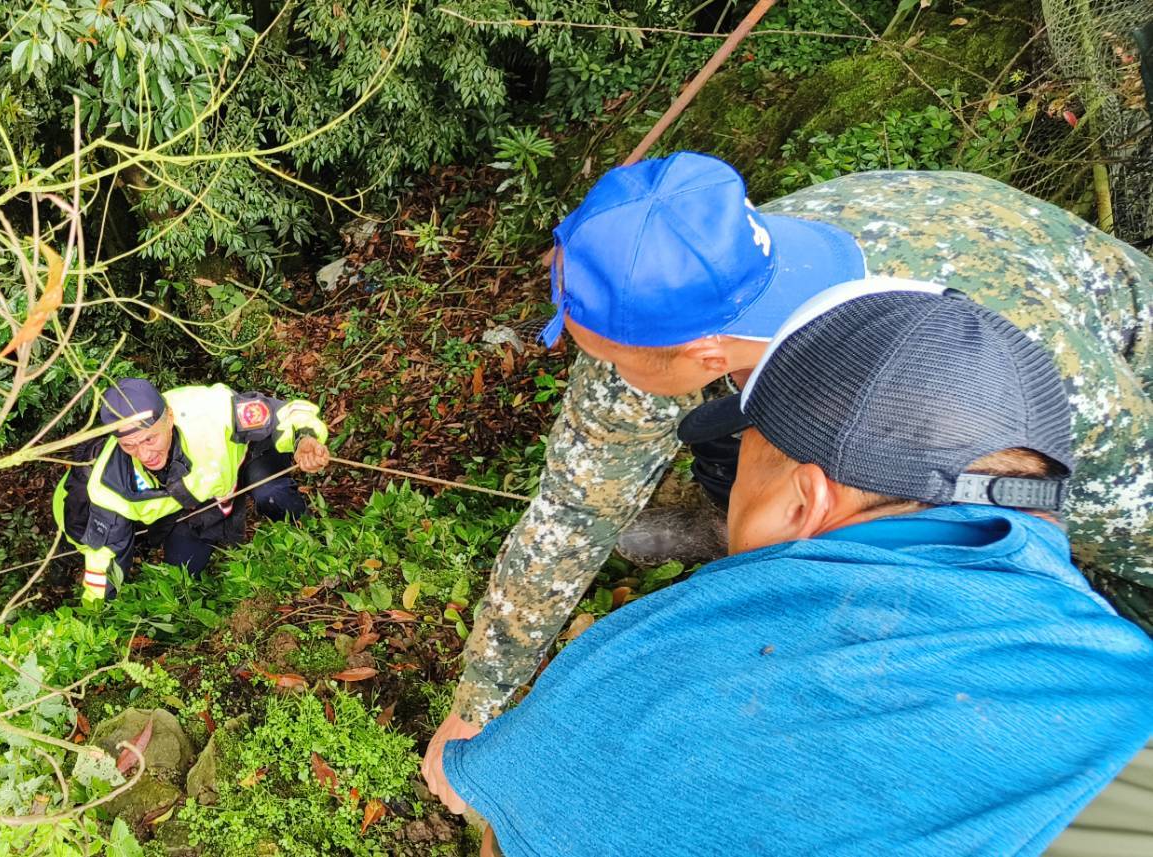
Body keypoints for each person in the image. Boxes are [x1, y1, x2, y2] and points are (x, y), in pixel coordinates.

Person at [440, 152, 1153, 743]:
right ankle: (737, 528)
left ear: (699, 351)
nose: (595, 367)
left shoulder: (1008, 379)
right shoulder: (707, 266)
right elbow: (573, 507)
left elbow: (1112, 524)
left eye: (608, 354)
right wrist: (477, 703)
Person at [424, 288, 1153, 856]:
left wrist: (465, 764)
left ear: (807, 499)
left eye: (741, 469)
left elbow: (515, 816)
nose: (728, 489)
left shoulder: (660, 671)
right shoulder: (1126, 690)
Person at [53, 378, 330, 602]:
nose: (144, 453)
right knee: (182, 574)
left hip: (246, 460)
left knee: (272, 493)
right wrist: (95, 614)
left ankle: (303, 532)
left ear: (169, 417)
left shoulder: (209, 411)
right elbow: (104, 557)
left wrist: (305, 440)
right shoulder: (112, 483)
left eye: (150, 438)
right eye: (130, 446)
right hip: (202, 500)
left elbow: (283, 413)